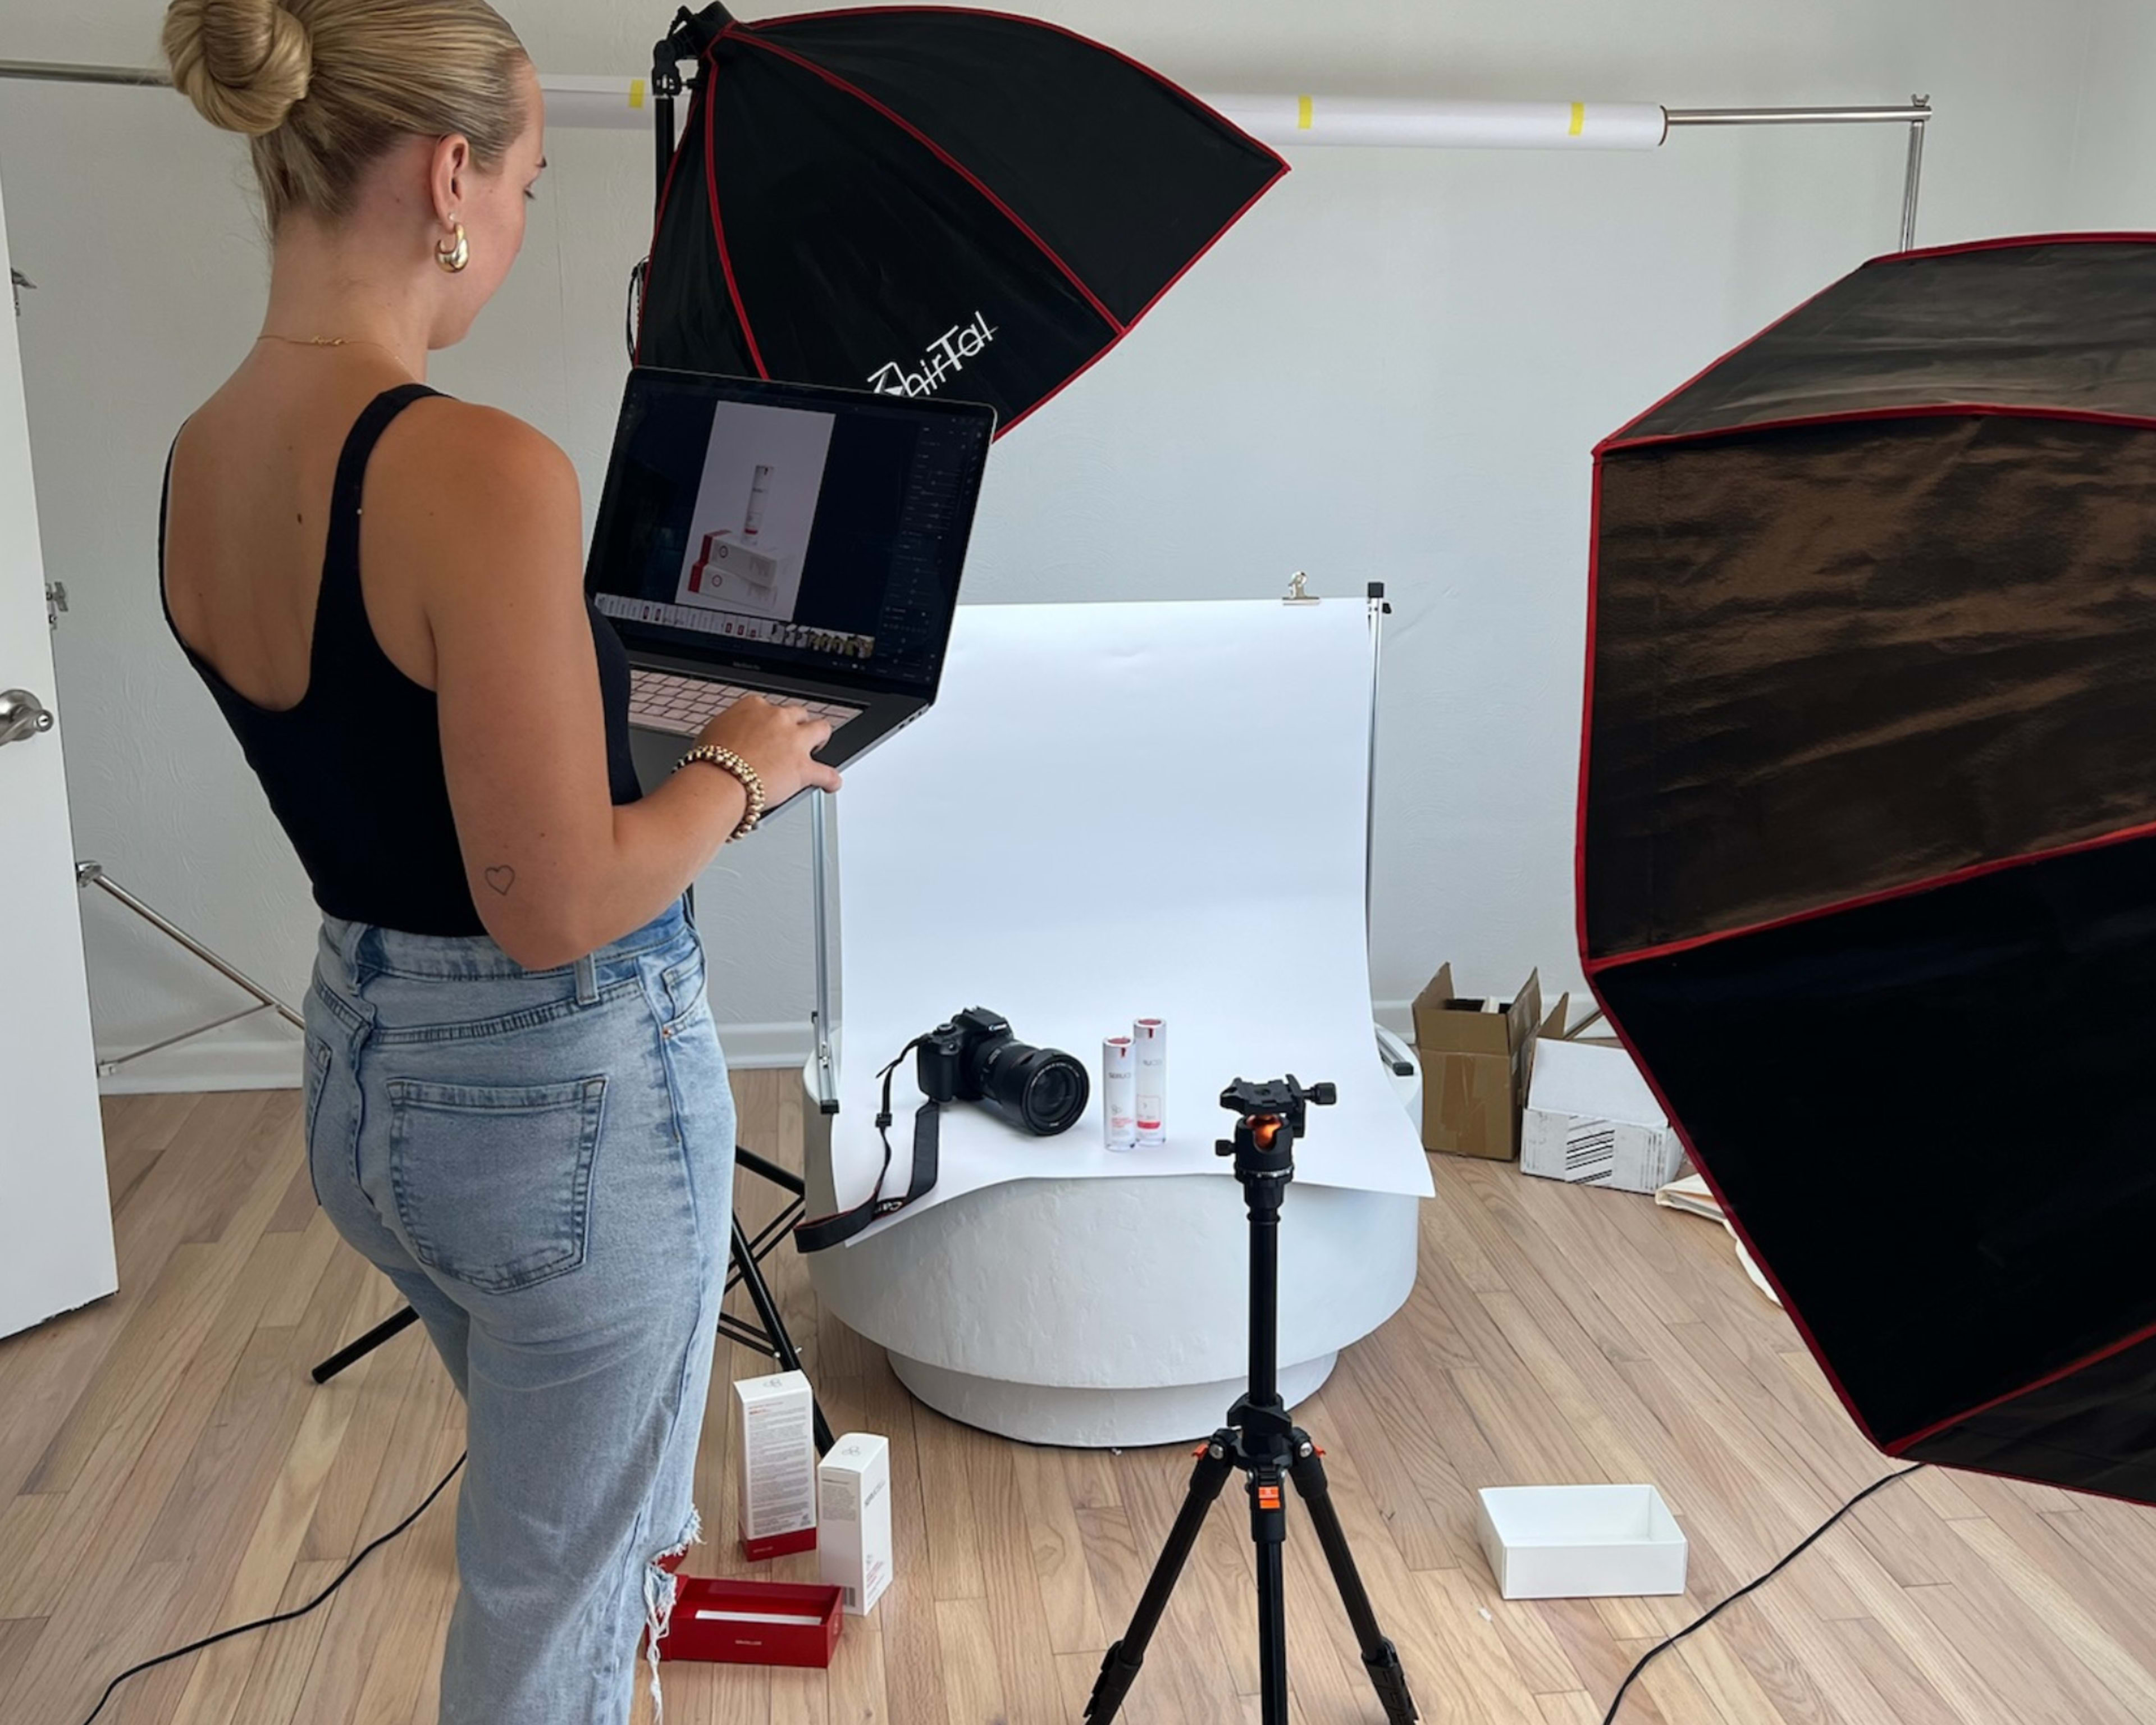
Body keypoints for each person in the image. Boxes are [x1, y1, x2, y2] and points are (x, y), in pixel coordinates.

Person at [156, 3, 840, 1718]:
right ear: (450, 177)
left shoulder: (202, 455)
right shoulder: (475, 468)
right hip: (561, 1105)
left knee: (569, 1550)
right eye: (532, 182)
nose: (523, 226)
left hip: (366, 1085)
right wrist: (735, 777)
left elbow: (392, 766)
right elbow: (554, 907)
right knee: (557, 1602)